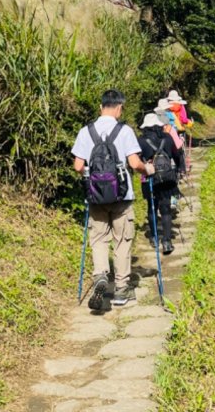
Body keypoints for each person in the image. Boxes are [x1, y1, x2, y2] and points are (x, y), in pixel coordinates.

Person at [72, 89, 154, 312]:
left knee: (98, 239)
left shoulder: (85, 131)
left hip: (95, 197)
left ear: (101, 107)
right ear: (119, 108)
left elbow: (78, 166)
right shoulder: (125, 131)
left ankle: (100, 275)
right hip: (121, 196)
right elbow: (135, 163)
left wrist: (94, 180)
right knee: (122, 241)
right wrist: (148, 169)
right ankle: (120, 289)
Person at [137, 112, 182, 255]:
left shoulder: (141, 141)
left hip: (149, 178)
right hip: (167, 177)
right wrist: (180, 169)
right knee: (166, 208)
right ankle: (167, 241)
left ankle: (155, 238)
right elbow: (177, 154)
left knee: (152, 208)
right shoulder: (167, 138)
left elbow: (136, 160)